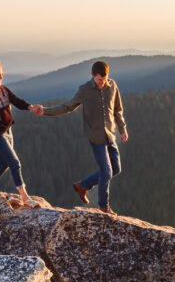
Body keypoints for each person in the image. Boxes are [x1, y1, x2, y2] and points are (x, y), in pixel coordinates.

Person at [42, 60, 127, 214]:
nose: (102, 83)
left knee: (116, 169)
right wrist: (45, 111)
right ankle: (103, 206)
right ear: (92, 75)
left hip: (110, 135)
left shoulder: (112, 86)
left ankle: (83, 186)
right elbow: (67, 107)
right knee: (106, 171)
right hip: (96, 137)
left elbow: (117, 109)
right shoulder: (84, 90)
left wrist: (122, 129)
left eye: (105, 79)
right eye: (100, 79)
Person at [0, 62, 45, 207]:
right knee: (14, 162)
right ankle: (25, 197)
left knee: (4, 162)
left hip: (8, 131)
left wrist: (31, 108)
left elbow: (17, 101)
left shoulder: (3, 89)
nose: (2, 76)